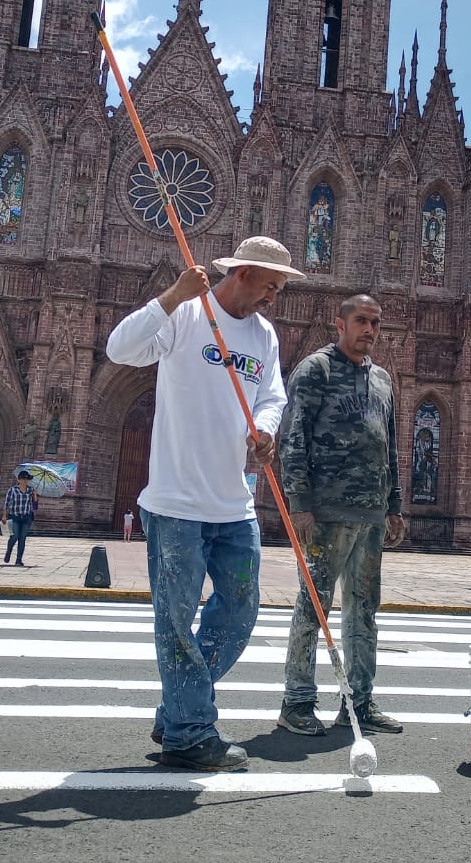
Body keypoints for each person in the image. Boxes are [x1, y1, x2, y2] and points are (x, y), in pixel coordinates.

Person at [105, 235, 297, 771]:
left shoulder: (264, 336)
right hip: (176, 503)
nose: (273, 298)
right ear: (242, 274)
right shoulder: (187, 315)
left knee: (240, 610)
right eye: (270, 286)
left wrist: (263, 430)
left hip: (233, 505)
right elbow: (120, 349)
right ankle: (190, 731)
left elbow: (273, 395)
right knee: (175, 619)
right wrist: (171, 295)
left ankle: (178, 708)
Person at [277, 294, 406, 738]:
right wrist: (299, 504)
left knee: (364, 610)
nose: (369, 329)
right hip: (325, 513)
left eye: (375, 323)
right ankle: (296, 702)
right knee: (314, 606)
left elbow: (389, 445)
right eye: (360, 321)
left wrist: (394, 505)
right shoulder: (316, 369)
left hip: (370, 515)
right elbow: (292, 437)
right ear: (340, 324)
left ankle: (361, 701)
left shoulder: (384, 381)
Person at [2, 470, 37, 566]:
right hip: (14, 517)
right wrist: (4, 515)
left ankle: (19, 559)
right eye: (23, 479)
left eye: (27, 479)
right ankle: (9, 551)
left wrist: (35, 496)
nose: (25, 481)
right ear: (19, 479)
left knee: (22, 539)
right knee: (14, 537)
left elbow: (35, 507)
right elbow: (6, 503)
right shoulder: (12, 490)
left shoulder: (30, 490)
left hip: (26, 517)